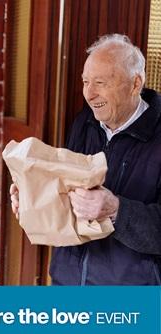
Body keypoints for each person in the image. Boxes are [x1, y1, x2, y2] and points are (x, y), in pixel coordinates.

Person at [10, 33, 161, 285]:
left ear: (135, 84)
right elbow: (67, 196)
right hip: (66, 282)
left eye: (100, 82)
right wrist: (33, 195)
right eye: (86, 81)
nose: (89, 94)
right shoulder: (85, 122)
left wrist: (117, 210)